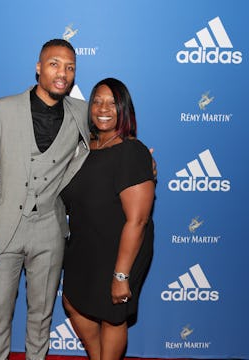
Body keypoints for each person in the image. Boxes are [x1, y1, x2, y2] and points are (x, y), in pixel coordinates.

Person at [0, 39, 90, 360]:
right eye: (54, 64)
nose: (62, 73)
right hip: (2, 230)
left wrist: (139, 158)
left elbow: (112, 135)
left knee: (41, 317)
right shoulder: (1, 109)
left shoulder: (82, 112)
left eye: (70, 67)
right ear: (38, 67)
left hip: (49, 230)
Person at [61, 78, 155, 360]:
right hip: (85, 244)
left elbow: (137, 221)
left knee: (113, 315)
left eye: (113, 103)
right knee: (72, 302)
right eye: (98, 101)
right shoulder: (84, 148)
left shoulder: (132, 151)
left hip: (121, 250)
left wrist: (121, 275)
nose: (103, 108)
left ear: (124, 109)